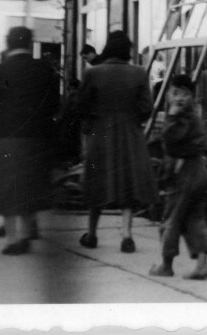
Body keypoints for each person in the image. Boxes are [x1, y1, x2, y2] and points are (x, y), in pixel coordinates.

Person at [0, 27, 61, 255]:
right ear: (30, 44)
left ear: (8, 43)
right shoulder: (44, 70)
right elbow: (54, 105)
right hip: (36, 135)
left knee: (6, 187)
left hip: (4, 134)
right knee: (29, 184)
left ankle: (12, 239)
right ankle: (26, 232)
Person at [77, 30, 156, 252]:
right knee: (128, 183)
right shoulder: (139, 73)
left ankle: (92, 234)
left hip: (100, 134)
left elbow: (81, 106)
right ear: (127, 51)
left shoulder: (92, 73)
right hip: (130, 135)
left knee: (96, 183)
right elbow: (146, 108)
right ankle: (126, 234)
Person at [148, 74, 207, 280]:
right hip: (199, 171)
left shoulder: (183, 118)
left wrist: (173, 116)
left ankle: (166, 265)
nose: (180, 98)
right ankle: (202, 265)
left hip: (184, 173)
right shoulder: (195, 116)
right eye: (175, 93)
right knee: (195, 219)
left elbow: (170, 138)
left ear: (193, 97)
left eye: (185, 94)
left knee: (170, 219)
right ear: (167, 94)